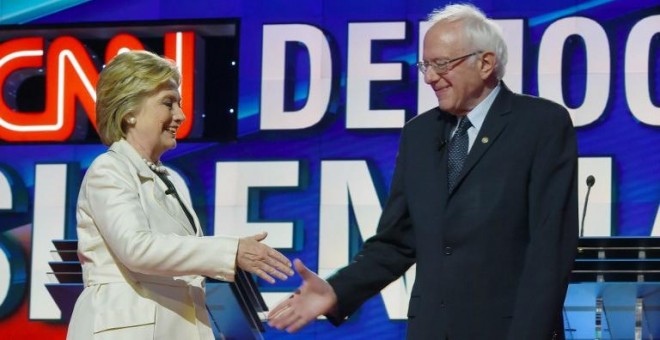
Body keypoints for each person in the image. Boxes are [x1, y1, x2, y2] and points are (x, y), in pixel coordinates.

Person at [268, 4, 578, 339]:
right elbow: (396, 241)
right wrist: (337, 291)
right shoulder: (419, 134)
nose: (430, 77)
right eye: (425, 65)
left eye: (442, 64)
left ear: (486, 63)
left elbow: (550, 248)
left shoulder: (540, 124)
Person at [67, 50, 294, 340]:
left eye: (180, 104)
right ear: (129, 112)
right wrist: (230, 251)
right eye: (168, 103)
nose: (181, 116)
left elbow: (183, 264)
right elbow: (136, 248)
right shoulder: (109, 169)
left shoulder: (171, 179)